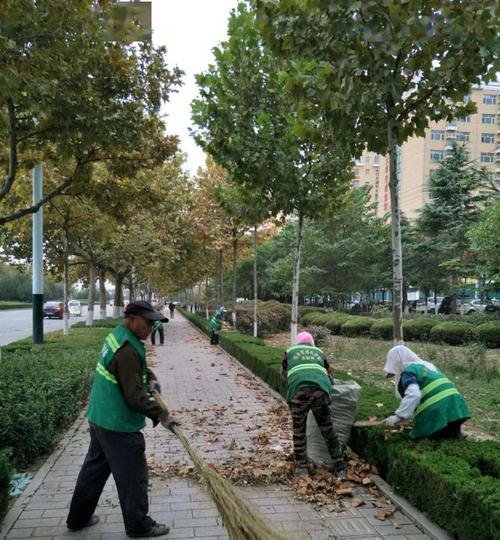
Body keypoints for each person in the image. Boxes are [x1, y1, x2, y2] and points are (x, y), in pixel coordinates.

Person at [66, 301, 177, 538]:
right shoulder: (127, 350)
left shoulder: (118, 336)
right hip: (117, 424)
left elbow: (130, 374)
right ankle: (139, 525)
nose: (151, 327)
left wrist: (150, 377)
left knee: (93, 471)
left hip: (99, 417)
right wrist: (161, 414)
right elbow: (135, 398)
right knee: (133, 476)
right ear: (133, 318)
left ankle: (78, 517)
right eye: (148, 322)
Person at [281, 331, 346, 477]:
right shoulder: (319, 352)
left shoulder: (289, 352)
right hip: (320, 392)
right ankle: (340, 466)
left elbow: (284, 374)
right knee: (327, 429)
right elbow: (330, 374)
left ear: (297, 343)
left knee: (299, 432)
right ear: (312, 343)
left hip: (298, 393)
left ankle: (302, 468)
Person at [383, 345, 470, 439]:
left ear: (398, 361)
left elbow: (414, 395)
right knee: (452, 439)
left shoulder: (409, 372)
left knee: (426, 441)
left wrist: (399, 416)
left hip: (437, 409)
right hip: (456, 404)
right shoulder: (428, 366)